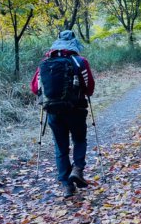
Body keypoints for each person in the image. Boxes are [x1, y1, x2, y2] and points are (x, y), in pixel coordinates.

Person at [30, 30, 95, 198]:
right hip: (76, 110)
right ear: (74, 43)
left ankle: (67, 185)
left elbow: (35, 88)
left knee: (61, 147)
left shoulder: (45, 62)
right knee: (80, 140)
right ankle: (77, 169)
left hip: (53, 112)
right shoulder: (80, 61)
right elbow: (89, 89)